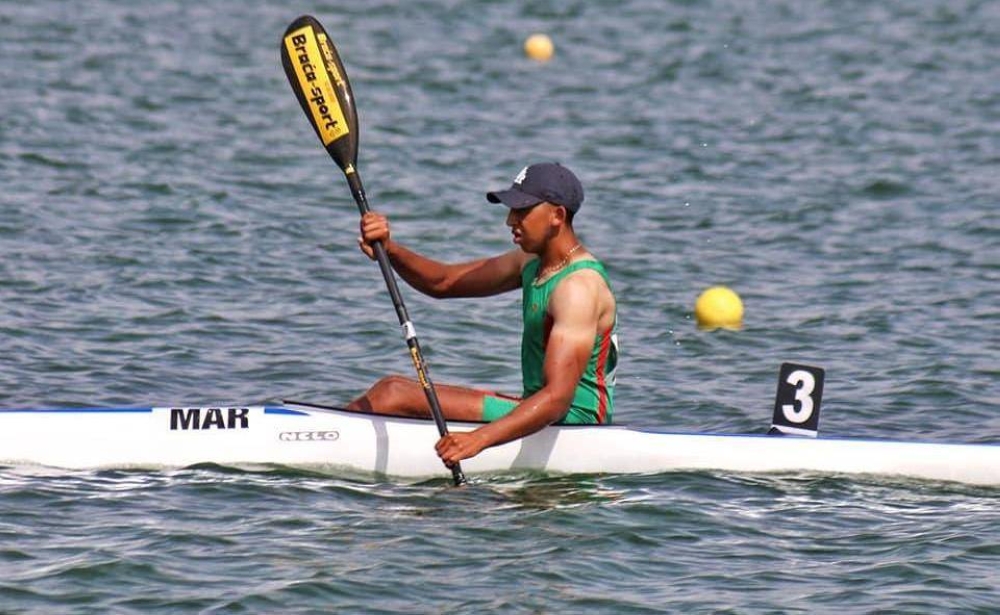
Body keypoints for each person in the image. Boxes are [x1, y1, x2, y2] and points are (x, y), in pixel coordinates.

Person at [346, 162, 618, 468]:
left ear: (557, 216)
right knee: (392, 391)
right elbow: (443, 282)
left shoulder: (577, 288)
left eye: (522, 211)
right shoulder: (531, 262)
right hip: (538, 408)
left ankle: (323, 440)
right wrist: (390, 249)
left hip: (571, 423)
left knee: (393, 394)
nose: (510, 220)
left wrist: (478, 440)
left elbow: (557, 399)